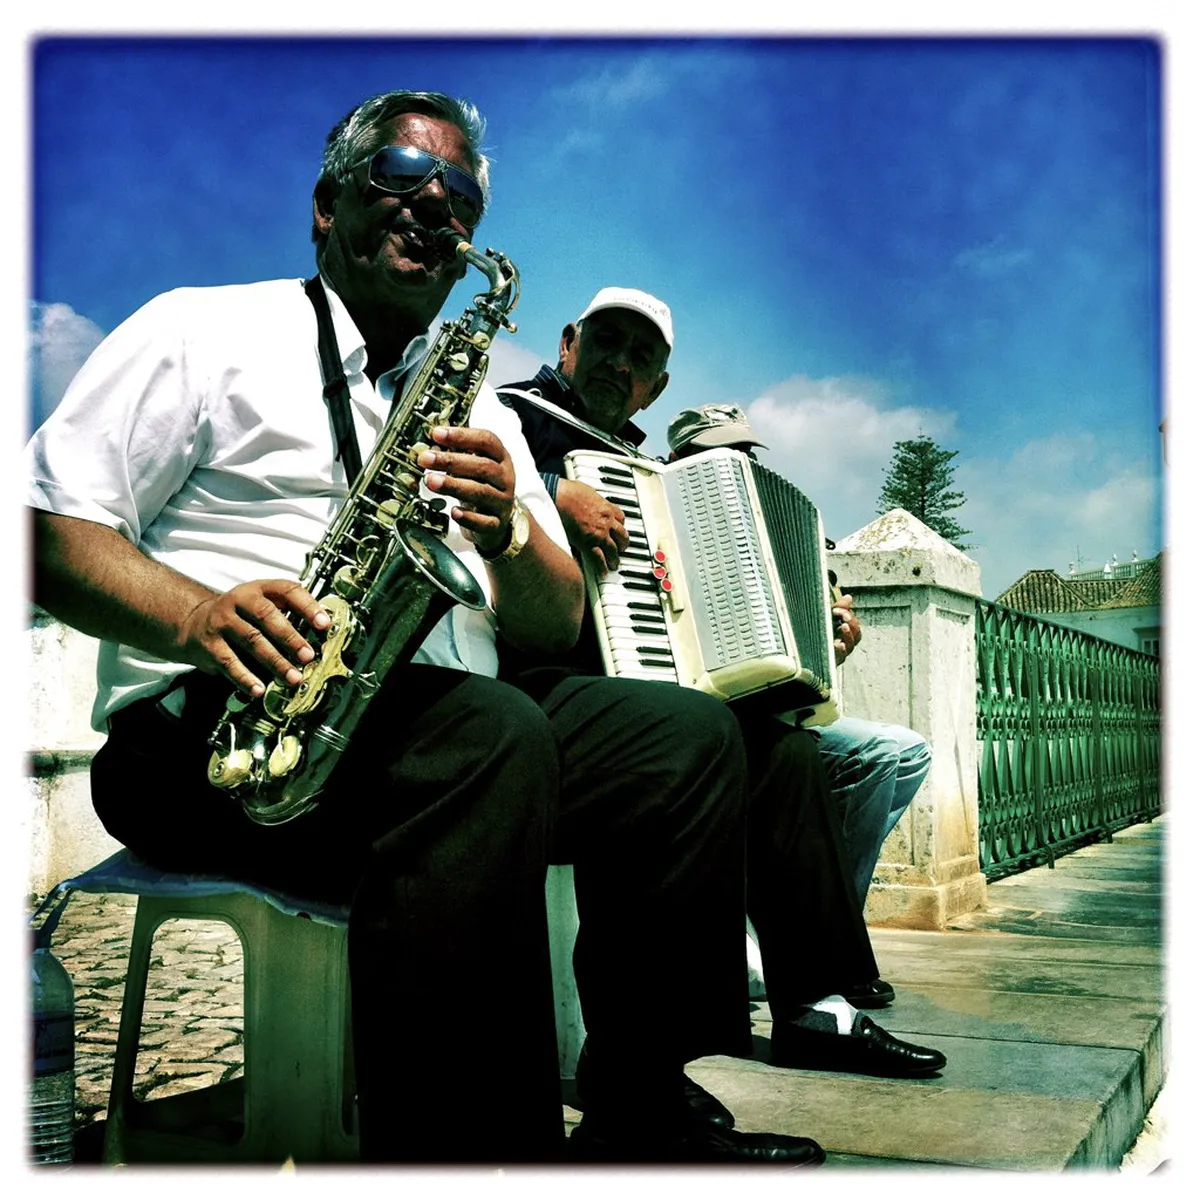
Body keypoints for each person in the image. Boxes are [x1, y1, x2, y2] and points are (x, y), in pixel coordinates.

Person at [25, 92, 826, 1166]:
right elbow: (46, 528)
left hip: (435, 723)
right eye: (401, 174)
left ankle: (640, 1101)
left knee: (678, 739)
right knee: (488, 738)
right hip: (218, 734)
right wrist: (200, 611)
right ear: (326, 206)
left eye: (460, 195)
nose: (431, 207)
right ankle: (466, 1158)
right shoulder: (200, 330)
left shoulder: (483, 405)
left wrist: (507, 534)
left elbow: (556, 620)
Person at [497, 287, 946, 1081]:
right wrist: (552, 491)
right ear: (568, 343)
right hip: (539, 681)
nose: (620, 363)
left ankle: (817, 1005)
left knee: (786, 753)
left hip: (647, 694)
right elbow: (467, 466)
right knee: (690, 751)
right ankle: (653, 1069)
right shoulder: (518, 417)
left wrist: (815, 641)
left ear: (657, 387)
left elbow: (707, 630)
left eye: (642, 357)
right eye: (606, 341)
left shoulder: (652, 476)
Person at [666, 403, 934, 916]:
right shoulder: (663, 516)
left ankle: (830, 923)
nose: (736, 464)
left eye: (743, 452)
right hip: (701, 713)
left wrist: (836, 647)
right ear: (678, 456)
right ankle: (813, 929)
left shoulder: (771, 522)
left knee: (905, 752)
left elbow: (807, 645)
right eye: (718, 453)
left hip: (774, 714)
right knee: (852, 758)